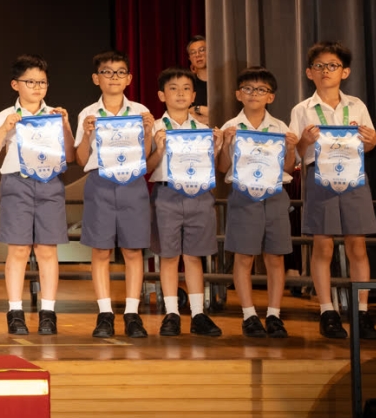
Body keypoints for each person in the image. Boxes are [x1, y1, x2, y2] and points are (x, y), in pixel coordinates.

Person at [289, 41, 376, 340]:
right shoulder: (302, 109)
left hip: (353, 175)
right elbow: (295, 155)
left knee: (357, 245)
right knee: (323, 246)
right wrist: (304, 141)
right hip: (319, 176)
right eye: (319, 66)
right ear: (309, 72)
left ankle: (362, 311)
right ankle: (327, 311)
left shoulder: (356, 105)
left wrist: (372, 141)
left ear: (345, 72)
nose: (325, 71)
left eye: (332, 65)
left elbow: (369, 143)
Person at [0, 55, 75, 335]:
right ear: (15, 84)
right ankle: (15, 312)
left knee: (47, 250)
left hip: (50, 183)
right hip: (17, 184)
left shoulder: (55, 115)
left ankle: (48, 312)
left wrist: (66, 125)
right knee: (19, 249)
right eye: (30, 82)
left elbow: (71, 157)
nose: (37, 87)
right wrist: (5, 128)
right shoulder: (5, 116)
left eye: (42, 82)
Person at [73, 51, 154, 339]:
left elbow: (146, 157)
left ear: (129, 78)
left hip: (133, 182)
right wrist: (86, 134)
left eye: (120, 72)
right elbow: (81, 159)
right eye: (107, 72)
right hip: (100, 182)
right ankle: (105, 313)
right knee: (101, 250)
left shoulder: (141, 111)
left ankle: (132, 313)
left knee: (133, 250)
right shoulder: (88, 113)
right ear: (96, 79)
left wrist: (148, 133)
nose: (114, 77)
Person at [216, 66, 297, 339]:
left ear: (270, 97)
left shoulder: (280, 127)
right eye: (248, 89)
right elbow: (222, 167)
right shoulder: (230, 126)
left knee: (275, 256)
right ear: (238, 94)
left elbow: (288, 167)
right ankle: (249, 315)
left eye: (261, 89)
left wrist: (292, 148)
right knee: (244, 256)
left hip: (274, 194)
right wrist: (226, 144)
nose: (254, 94)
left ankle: (274, 314)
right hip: (243, 194)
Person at [145, 67, 224, 337]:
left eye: (186, 89)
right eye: (173, 88)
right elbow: (147, 167)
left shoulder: (203, 130)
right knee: (168, 256)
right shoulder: (155, 128)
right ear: (161, 95)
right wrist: (159, 149)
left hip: (198, 195)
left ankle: (198, 314)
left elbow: (211, 167)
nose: (180, 93)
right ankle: (171, 313)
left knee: (193, 256)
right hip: (166, 194)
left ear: (193, 96)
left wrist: (216, 148)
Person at [187, 35, 210, 125]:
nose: (198, 55)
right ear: (190, 58)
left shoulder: (223, 82)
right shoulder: (188, 85)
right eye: (193, 52)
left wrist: (197, 109)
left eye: (202, 50)